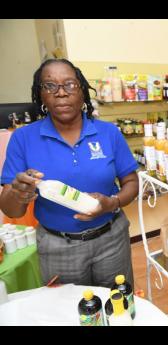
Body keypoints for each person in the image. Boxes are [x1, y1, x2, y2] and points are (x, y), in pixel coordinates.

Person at [0, 59, 139, 288]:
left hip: (111, 241)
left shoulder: (108, 133)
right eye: (50, 86)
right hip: (57, 248)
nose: (61, 93)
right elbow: (11, 209)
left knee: (118, 307)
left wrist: (111, 203)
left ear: (82, 91)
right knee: (67, 315)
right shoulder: (23, 139)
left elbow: (131, 182)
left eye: (70, 85)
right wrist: (18, 192)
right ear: (41, 95)